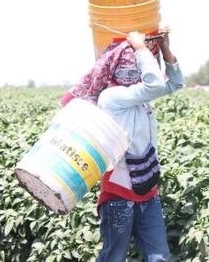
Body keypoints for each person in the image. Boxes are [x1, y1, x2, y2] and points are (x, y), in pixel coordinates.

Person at [61, 27, 184, 261]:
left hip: (148, 192)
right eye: (133, 65)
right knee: (113, 257)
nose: (135, 71)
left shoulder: (141, 96)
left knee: (159, 257)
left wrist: (165, 47)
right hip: (119, 197)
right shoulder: (111, 97)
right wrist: (139, 47)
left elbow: (175, 83)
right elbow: (156, 85)